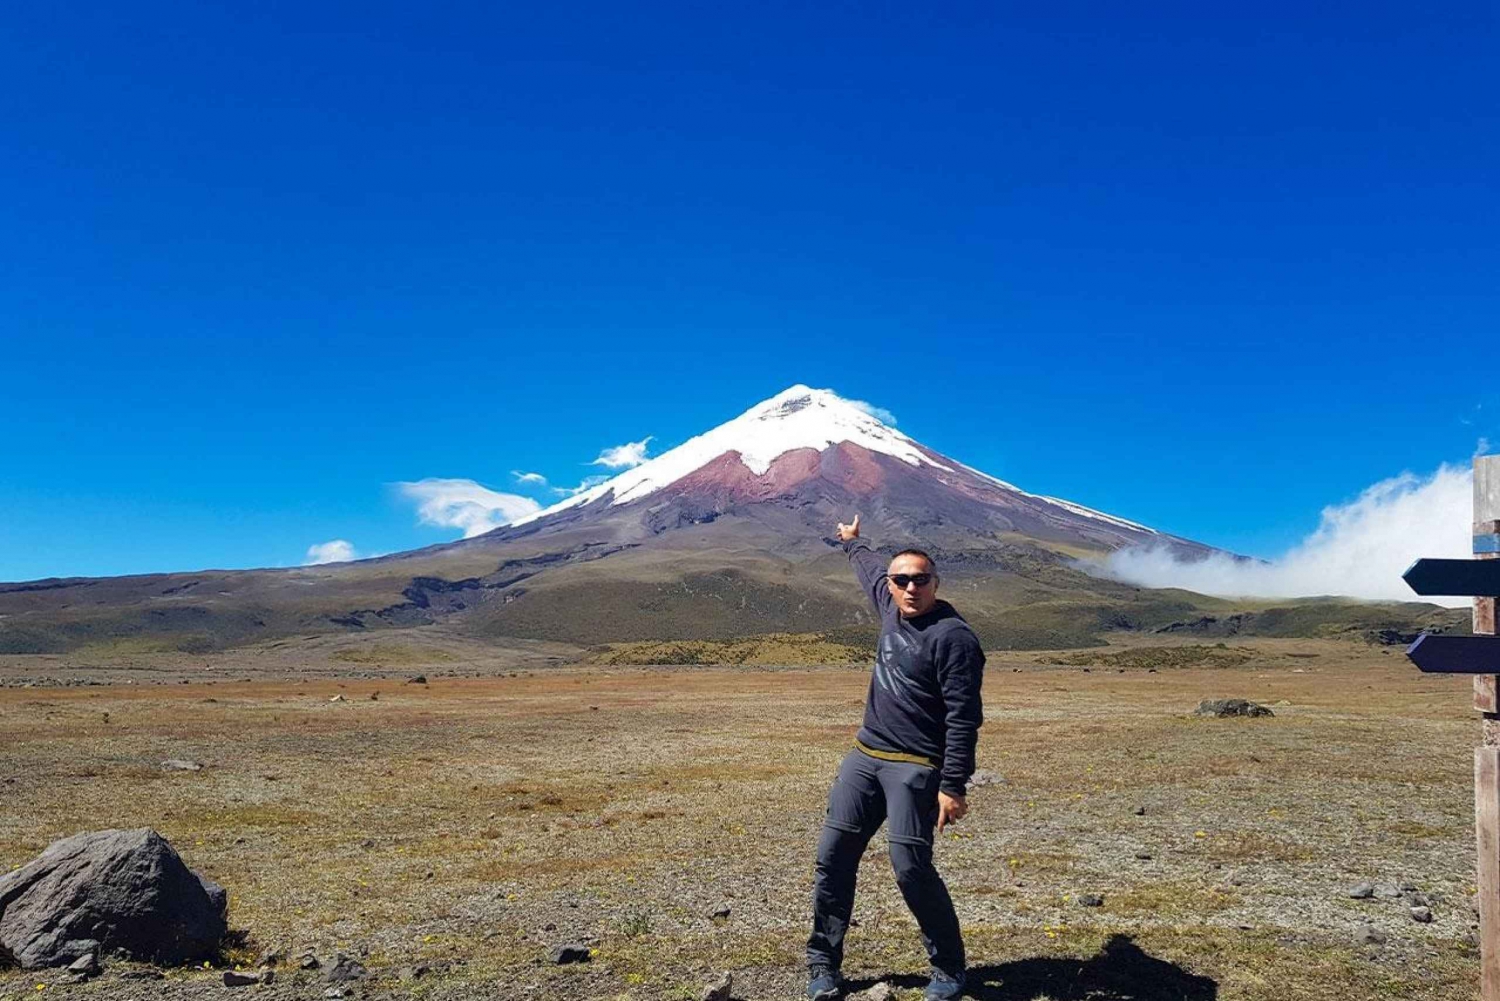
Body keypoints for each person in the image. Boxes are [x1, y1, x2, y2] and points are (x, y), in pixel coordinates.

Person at [806, 514, 986, 1001]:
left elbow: (963, 718)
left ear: (935, 584)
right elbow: (867, 568)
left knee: (910, 867)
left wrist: (954, 785)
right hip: (864, 758)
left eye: (919, 580)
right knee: (833, 859)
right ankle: (823, 964)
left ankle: (948, 969)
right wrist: (850, 542)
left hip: (915, 767)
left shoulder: (955, 638)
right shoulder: (889, 604)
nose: (909, 588)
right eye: (901, 580)